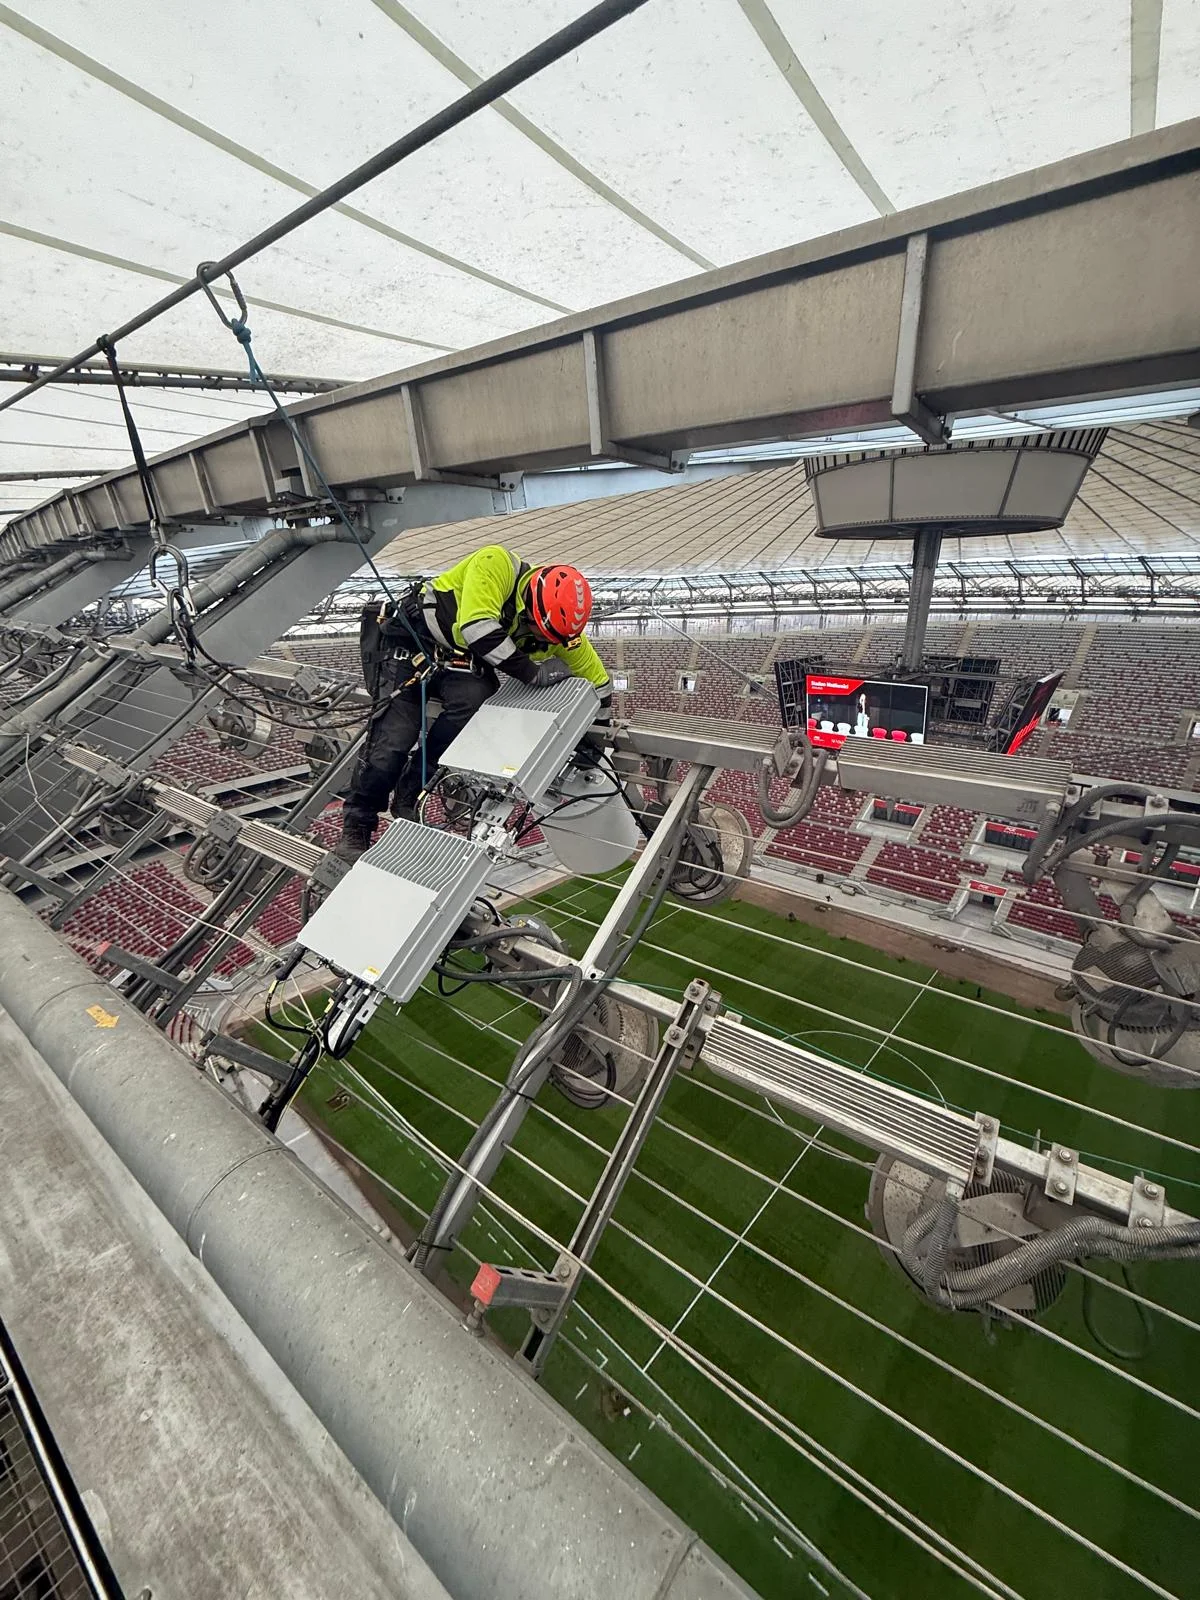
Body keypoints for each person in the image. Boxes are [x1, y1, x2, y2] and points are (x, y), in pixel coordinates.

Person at [337, 545, 610, 860]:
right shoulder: (496, 564)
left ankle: (412, 788)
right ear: (528, 608)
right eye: (541, 633)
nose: (548, 644)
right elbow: (478, 628)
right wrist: (533, 673)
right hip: (412, 645)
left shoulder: (563, 633)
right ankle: (357, 824)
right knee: (392, 741)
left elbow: (599, 684)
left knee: (474, 705)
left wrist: (596, 740)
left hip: (461, 662)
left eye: (555, 641)